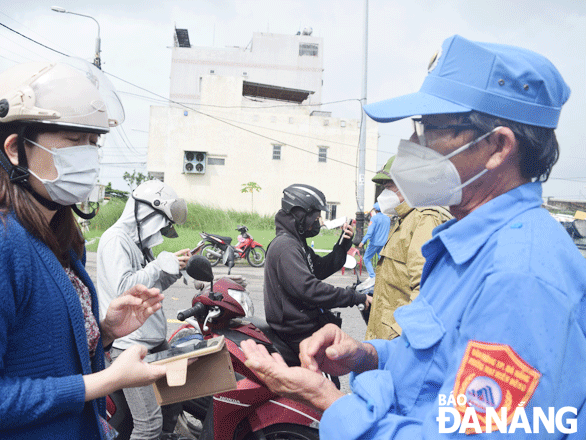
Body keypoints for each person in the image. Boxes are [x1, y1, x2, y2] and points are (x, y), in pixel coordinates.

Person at [242, 35, 586, 439]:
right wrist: (366, 355)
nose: (412, 146)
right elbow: (434, 363)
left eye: (432, 129)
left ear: (497, 146)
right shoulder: (469, 244)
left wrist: (326, 400)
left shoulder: (520, 277)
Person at [0, 60, 169, 440]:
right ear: (14, 149)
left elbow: (37, 356)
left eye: (93, 142)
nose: (89, 156)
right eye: (74, 141)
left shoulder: (56, 234)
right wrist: (103, 382)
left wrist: (103, 332)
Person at [97, 179, 190, 440]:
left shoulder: (141, 246)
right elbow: (124, 290)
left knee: (172, 409)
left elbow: (149, 291)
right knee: (148, 424)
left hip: (155, 341)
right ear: (146, 212)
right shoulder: (116, 240)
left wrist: (172, 269)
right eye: (161, 221)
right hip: (131, 346)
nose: (162, 229)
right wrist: (159, 265)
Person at [264, 183, 368, 367]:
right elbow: (309, 288)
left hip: (305, 327)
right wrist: (354, 298)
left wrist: (342, 246)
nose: (318, 222)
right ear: (300, 214)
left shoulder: (297, 243)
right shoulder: (285, 247)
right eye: (316, 216)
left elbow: (319, 268)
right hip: (295, 333)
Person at [365, 156, 452, 340]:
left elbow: (425, 288)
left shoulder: (424, 219)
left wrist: (400, 336)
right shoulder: (403, 219)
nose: (383, 193)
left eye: (389, 187)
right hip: (384, 336)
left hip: (398, 340)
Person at [356, 202, 390, 282]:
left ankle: (372, 276)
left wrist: (362, 242)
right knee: (381, 259)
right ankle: (382, 276)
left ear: (375, 210)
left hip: (374, 243)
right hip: (383, 243)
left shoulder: (374, 218)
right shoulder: (387, 218)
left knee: (366, 258)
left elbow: (370, 232)